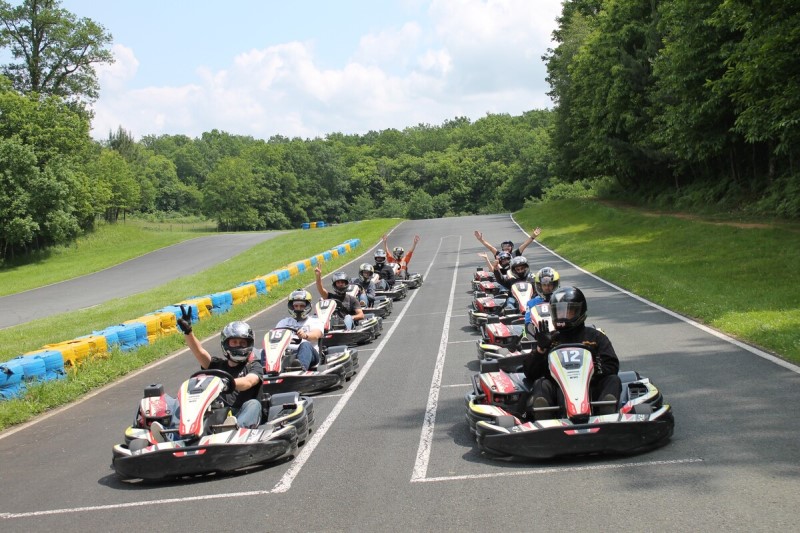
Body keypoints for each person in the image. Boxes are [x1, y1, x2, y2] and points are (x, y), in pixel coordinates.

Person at [151, 306, 265, 440]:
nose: (238, 346)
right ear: (226, 344)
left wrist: (226, 382)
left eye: (242, 342)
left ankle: (234, 432)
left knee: (253, 404)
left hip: (238, 414)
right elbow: (199, 352)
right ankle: (174, 434)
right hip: (214, 413)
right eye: (234, 342)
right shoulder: (217, 366)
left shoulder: (253, 366)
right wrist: (188, 332)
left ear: (249, 345)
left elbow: (248, 382)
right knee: (176, 401)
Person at [523, 286, 621, 419]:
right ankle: (544, 415)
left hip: (592, 388)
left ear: (579, 311)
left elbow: (612, 365)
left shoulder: (595, 337)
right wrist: (541, 349)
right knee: (541, 383)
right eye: (558, 312)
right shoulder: (551, 340)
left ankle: (606, 410)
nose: (562, 316)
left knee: (613, 380)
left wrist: (597, 369)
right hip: (559, 393)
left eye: (567, 311)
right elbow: (530, 373)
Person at [273, 289, 325, 371]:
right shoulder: (284, 322)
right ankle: (267, 370)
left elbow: (317, 334)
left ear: (307, 306)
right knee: (264, 350)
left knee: (305, 345)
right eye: (296, 306)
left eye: (302, 306)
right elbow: (274, 337)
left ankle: (301, 369)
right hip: (287, 354)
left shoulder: (314, 321)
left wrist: (305, 335)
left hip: (310, 354)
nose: (298, 309)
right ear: (291, 306)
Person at [474, 227, 542, 258]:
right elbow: (491, 248)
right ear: (502, 248)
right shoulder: (498, 254)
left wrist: (533, 236)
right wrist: (481, 240)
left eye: (508, 246)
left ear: (511, 247)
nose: (506, 247)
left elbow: (525, 244)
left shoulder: (516, 253)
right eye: (504, 246)